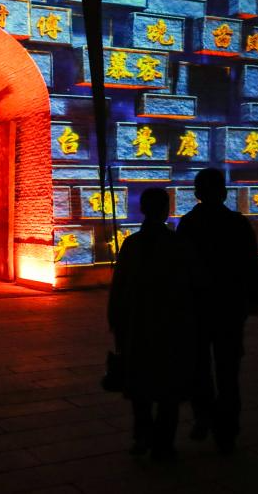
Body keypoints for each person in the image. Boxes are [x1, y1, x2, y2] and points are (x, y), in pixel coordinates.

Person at [176, 167, 258, 455]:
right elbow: (251, 265)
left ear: (197, 193)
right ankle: (227, 431)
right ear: (224, 193)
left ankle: (204, 416)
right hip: (230, 307)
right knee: (228, 371)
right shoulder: (237, 223)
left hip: (198, 308)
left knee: (199, 367)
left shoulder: (188, 224)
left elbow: (182, 270)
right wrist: (254, 299)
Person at [107, 187, 196, 462]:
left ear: (143, 209)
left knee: (140, 387)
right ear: (166, 210)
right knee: (168, 388)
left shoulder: (132, 245)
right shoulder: (177, 244)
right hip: (171, 326)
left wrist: (117, 323)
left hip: (138, 325)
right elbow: (188, 288)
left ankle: (142, 435)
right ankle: (164, 444)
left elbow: (119, 289)